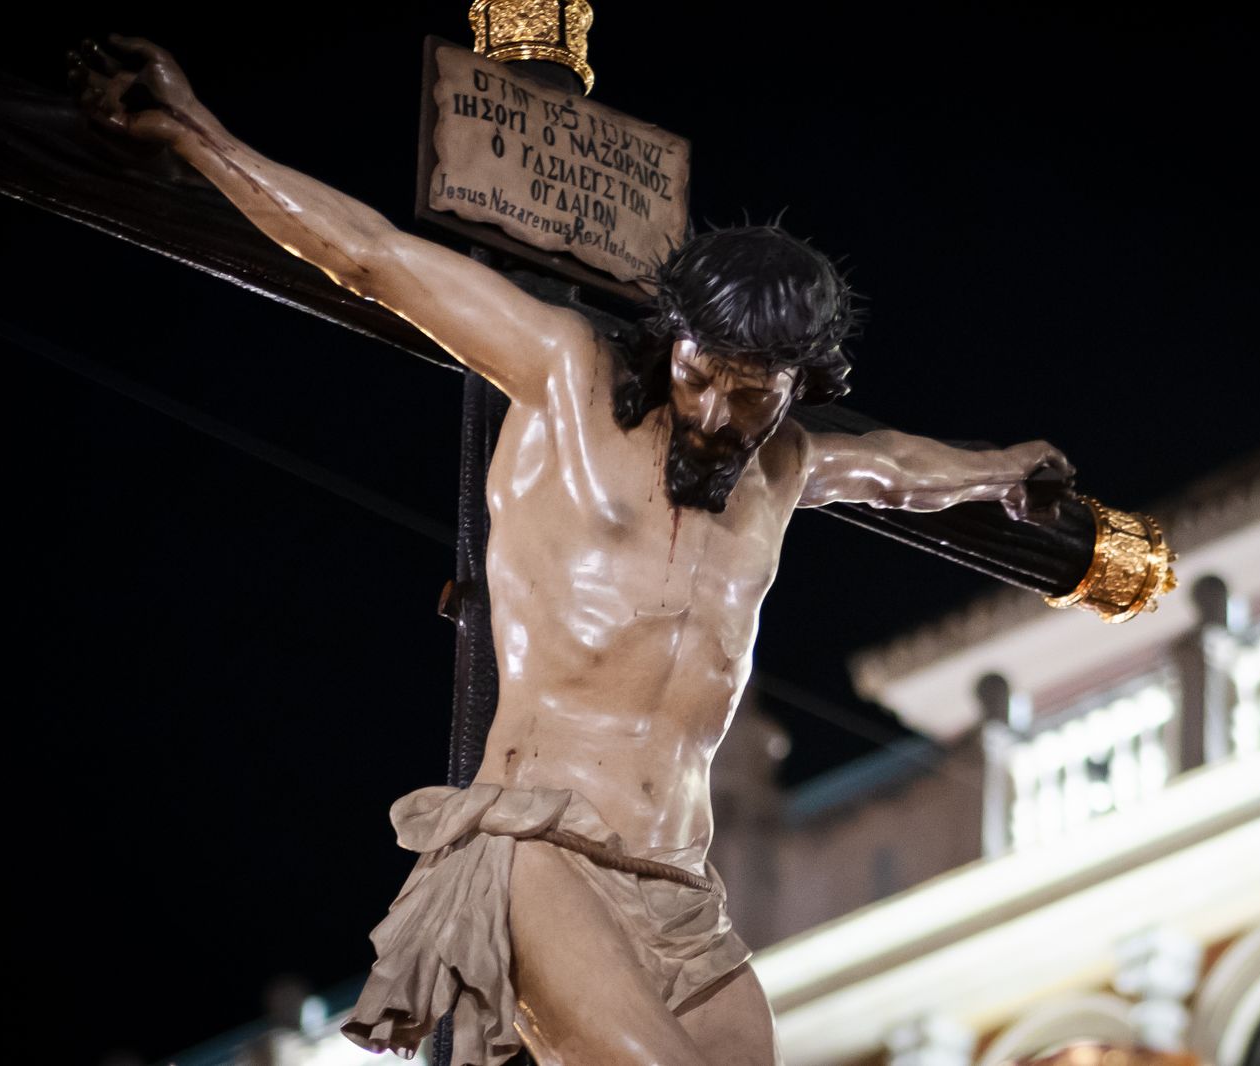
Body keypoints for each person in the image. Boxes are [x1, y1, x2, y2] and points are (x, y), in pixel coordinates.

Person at [71, 36, 1072, 1066]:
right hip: (541, 850)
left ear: (801, 385)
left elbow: (897, 468)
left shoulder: (784, 471)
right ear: (669, 341)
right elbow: (368, 257)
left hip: (683, 890)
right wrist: (197, 134)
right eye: (700, 375)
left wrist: (1001, 465)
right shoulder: (564, 378)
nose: (717, 412)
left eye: (751, 392)